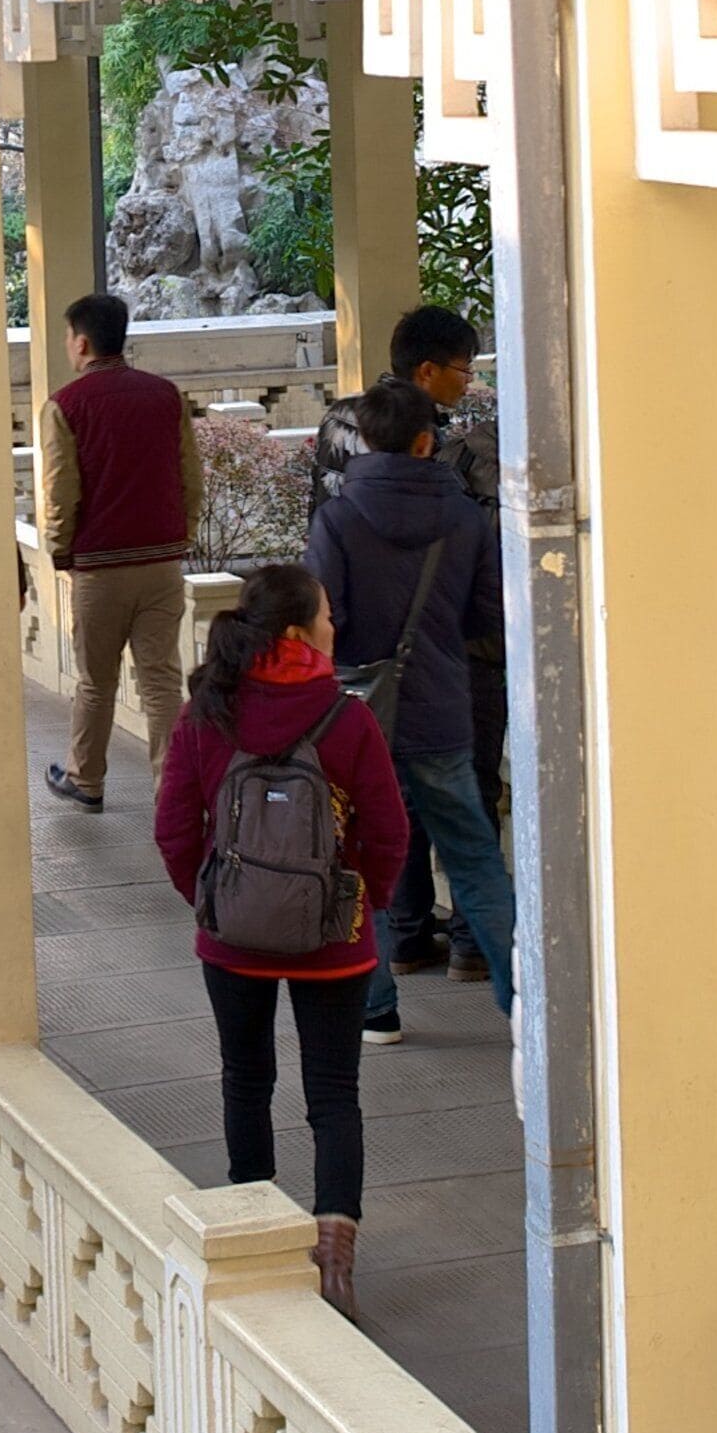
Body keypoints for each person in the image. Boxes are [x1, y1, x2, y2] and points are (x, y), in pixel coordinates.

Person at [152, 562, 405, 1322]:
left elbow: (172, 830)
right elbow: (389, 834)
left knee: (245, 1080)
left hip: (233, 945)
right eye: (327, 617)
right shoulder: (347, 719)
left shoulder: (206, 714)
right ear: (298, 633)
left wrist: (215, 902)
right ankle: (333, 1260)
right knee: (333, 1095)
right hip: (335, 942)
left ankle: (255, 1241)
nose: (336, 628)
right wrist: (362, 905)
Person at [308, 381, 510, 1048]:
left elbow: (319, 626)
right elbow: (487, 616)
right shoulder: (464, 517)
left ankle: (377, 1009)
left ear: (363, 439)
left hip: (358, 719)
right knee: (476, 860)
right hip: (443, 713)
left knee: (358, 860)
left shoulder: (336, 520)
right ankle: (527, 1004)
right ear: (428, 442)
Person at [38, 290, 202, 813]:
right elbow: (189, 476)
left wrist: (59, 550)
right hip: (161, 562)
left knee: (95, 680)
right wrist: (183, 533)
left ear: (81, 342)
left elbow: (61, 490)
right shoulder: (165, 395)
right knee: (161, 682)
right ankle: (171, 789)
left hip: (100, 567)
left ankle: (86, 778)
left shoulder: (65, 406)